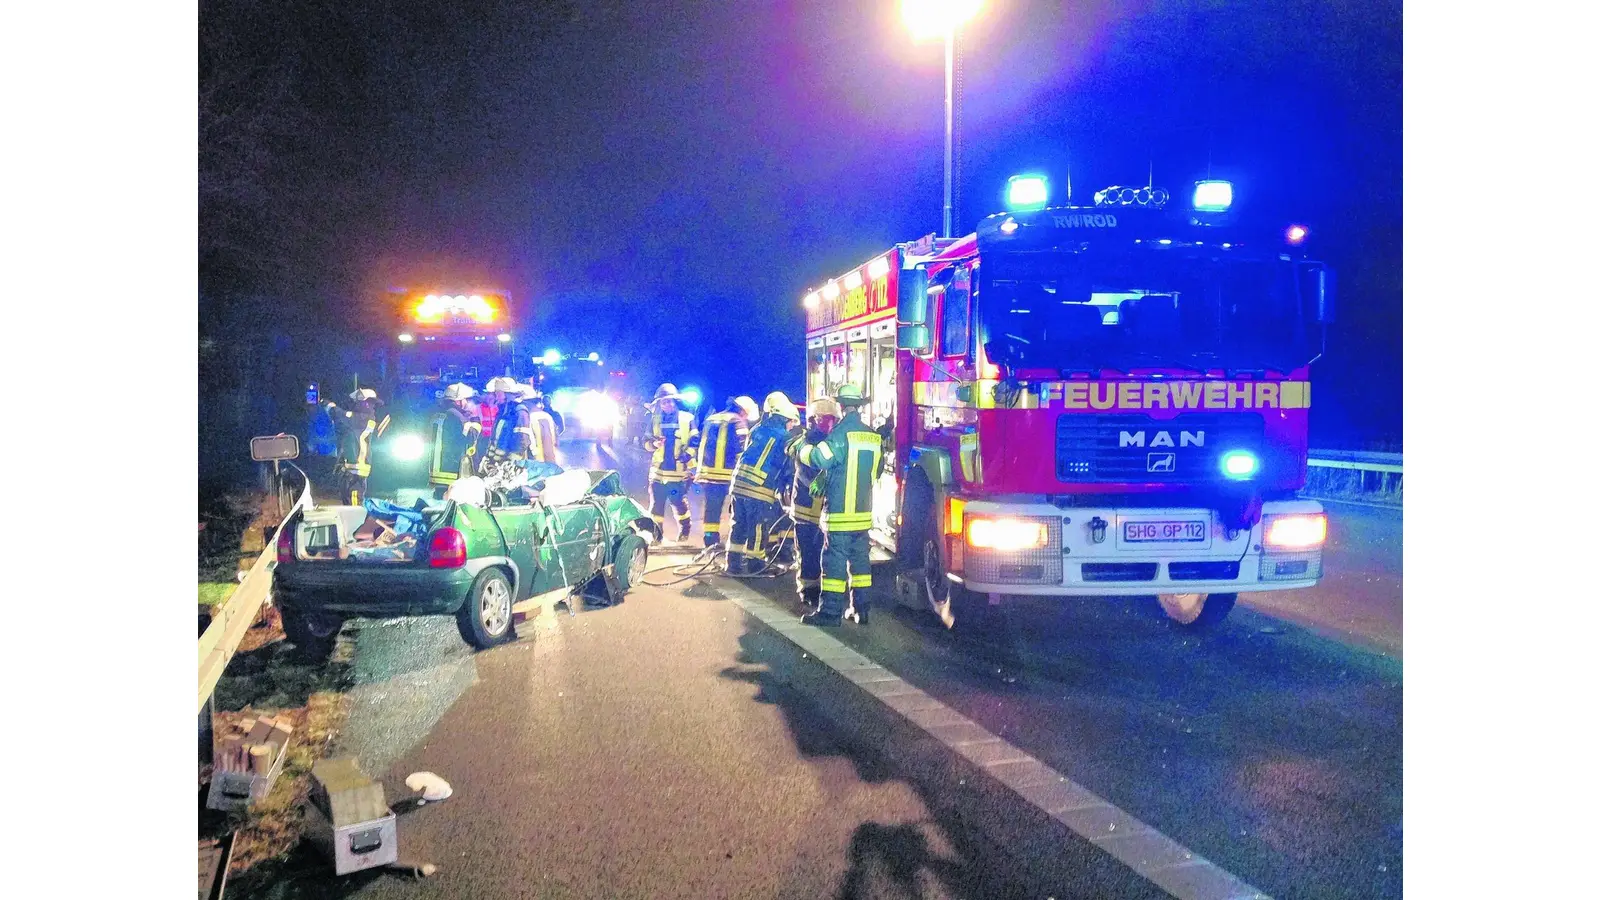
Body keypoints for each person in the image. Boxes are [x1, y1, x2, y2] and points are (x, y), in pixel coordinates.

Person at [798, 384, 883, 627]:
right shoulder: (872, 436)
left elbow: (818, 458)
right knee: (861, 565)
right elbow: (875, 472)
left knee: (834, 563)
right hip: (863, 514)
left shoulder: (840, 433)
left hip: (840, 514)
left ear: (842, 406)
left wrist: (801, 449)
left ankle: (830, 613)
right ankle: (861, 610)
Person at [726, 392, 800, 575]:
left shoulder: (757, 429)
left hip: (738, 483)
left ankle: (733, 563)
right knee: (758, 526)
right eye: (791, 422)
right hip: (759, 487)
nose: (791, 426)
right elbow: (785, 465)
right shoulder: (784, 437)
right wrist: (788, 485)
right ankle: (755, 563)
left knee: (738, 523)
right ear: (784, 419)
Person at [788, 397, 841, 610]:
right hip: (806, 509)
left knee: (824, 552)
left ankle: (824, 590)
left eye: (831, 420)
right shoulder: (805, 444)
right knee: (808, 552)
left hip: (824, 512)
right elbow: (809, 476)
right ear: (812, 420)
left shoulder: (830, 442)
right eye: (823, 420)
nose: (828, 425)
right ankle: (808, 590)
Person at [693, 396, 757, 549]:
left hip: (707, 473)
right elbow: (743, 449)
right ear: (742, 411)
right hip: (728, 474)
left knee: (711, 510)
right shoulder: (737, 421)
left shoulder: (712, 418)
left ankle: (710, 542)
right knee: (738, 508)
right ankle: (737, 540)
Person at [645, 383, 699, 541]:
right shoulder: (654, 420)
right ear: (659, 404)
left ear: (675, 402)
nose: (667, 405)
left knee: (678, 503)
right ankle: (657, 535)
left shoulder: (687, 418)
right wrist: (654, 444)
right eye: (664, 402)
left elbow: (695, 440)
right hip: (658, 473)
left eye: (670, 401)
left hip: (679, 472)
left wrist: (686, 456)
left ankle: (685, 530)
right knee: (656, 506)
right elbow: (645, 441)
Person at [325, 387, 390, 505]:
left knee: (354, 505)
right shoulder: (368, 419)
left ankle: (355, 523)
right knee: (351, 501)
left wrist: (328, 405)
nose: (371, 407)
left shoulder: (359, 418)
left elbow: (338, 414)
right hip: (356, 469)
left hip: (354, 470)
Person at [428, 383, 482, 498]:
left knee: (438, 499)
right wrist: (476, 422)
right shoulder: (458, 417)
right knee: (450, 501)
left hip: (436, 469)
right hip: (450, 470)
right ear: (459, 400)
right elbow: (471, 439)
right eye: (466, 400)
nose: (468, 403)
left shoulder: (439, 414)